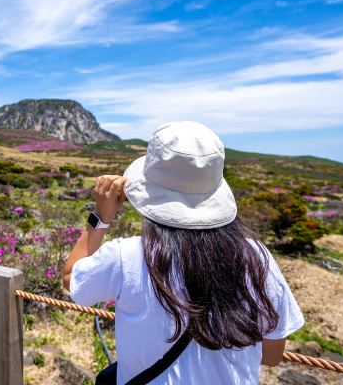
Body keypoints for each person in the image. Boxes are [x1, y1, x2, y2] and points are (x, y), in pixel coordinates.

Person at [63, 122, 303, 385]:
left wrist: (101, 216)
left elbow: (72, 279)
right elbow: (270, 356)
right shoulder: (258, 258)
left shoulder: (126, 256)